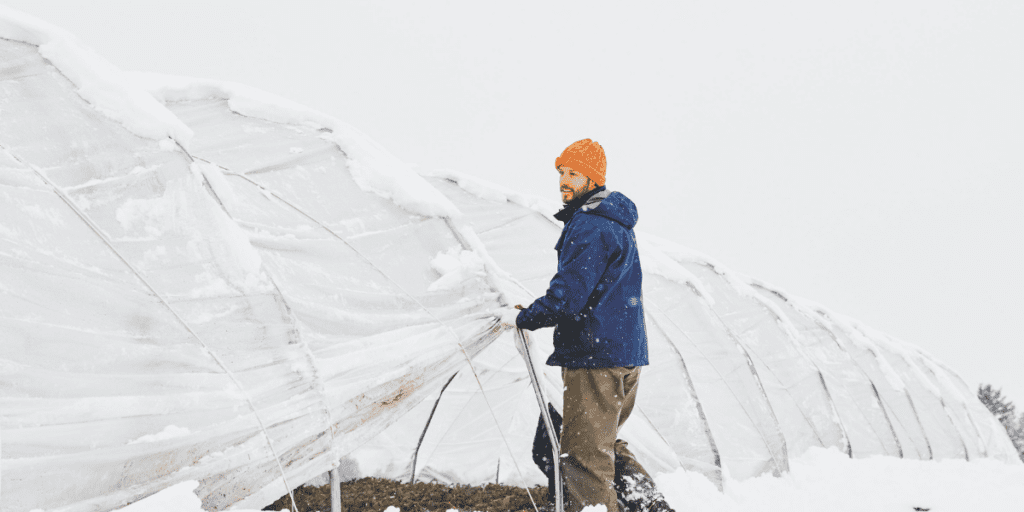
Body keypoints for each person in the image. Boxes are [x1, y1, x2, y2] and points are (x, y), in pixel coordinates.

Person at [501, 139, 672, 512]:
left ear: (592, 178)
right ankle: (652, 507)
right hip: (623, 353)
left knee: (584, 458)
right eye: (561, 172)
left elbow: (569, 296)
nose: (564, 180)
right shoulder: (617, 222)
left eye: (573, 173)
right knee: (603, 444)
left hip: (595, 357)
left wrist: (524, 316)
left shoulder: (590, 224)